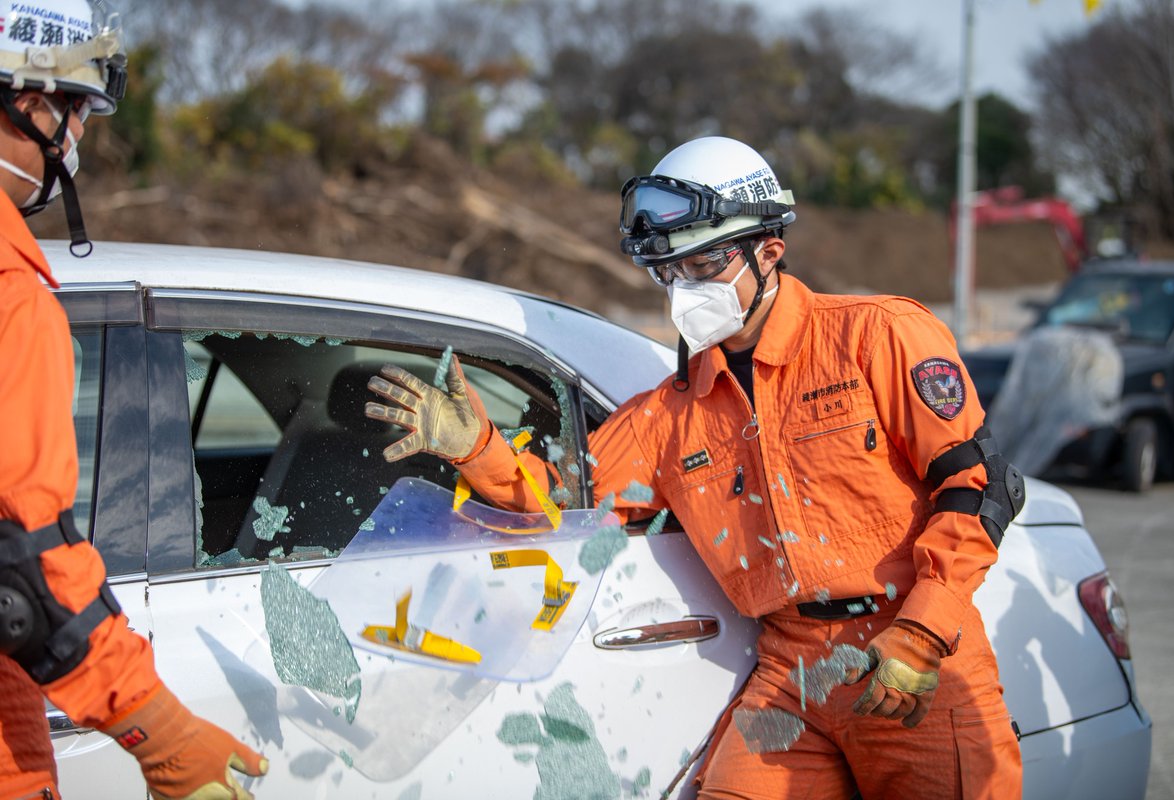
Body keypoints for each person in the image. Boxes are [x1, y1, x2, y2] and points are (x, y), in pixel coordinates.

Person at [365, 135, 1025, 798]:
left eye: (705, 263)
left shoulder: (876, 335)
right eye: (670, 271)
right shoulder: (669, 414)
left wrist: (923, 629)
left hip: (912, 655)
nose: (684, 288)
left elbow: (978, 486)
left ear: (769, 251)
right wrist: (477, 447)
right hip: (793, 672)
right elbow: (566, 502)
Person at [0, 3, 268, 798]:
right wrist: (162, 730)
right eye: (74, 107)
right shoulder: (11, 301)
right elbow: (22, 572)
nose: (76, 135)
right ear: (26, 100)